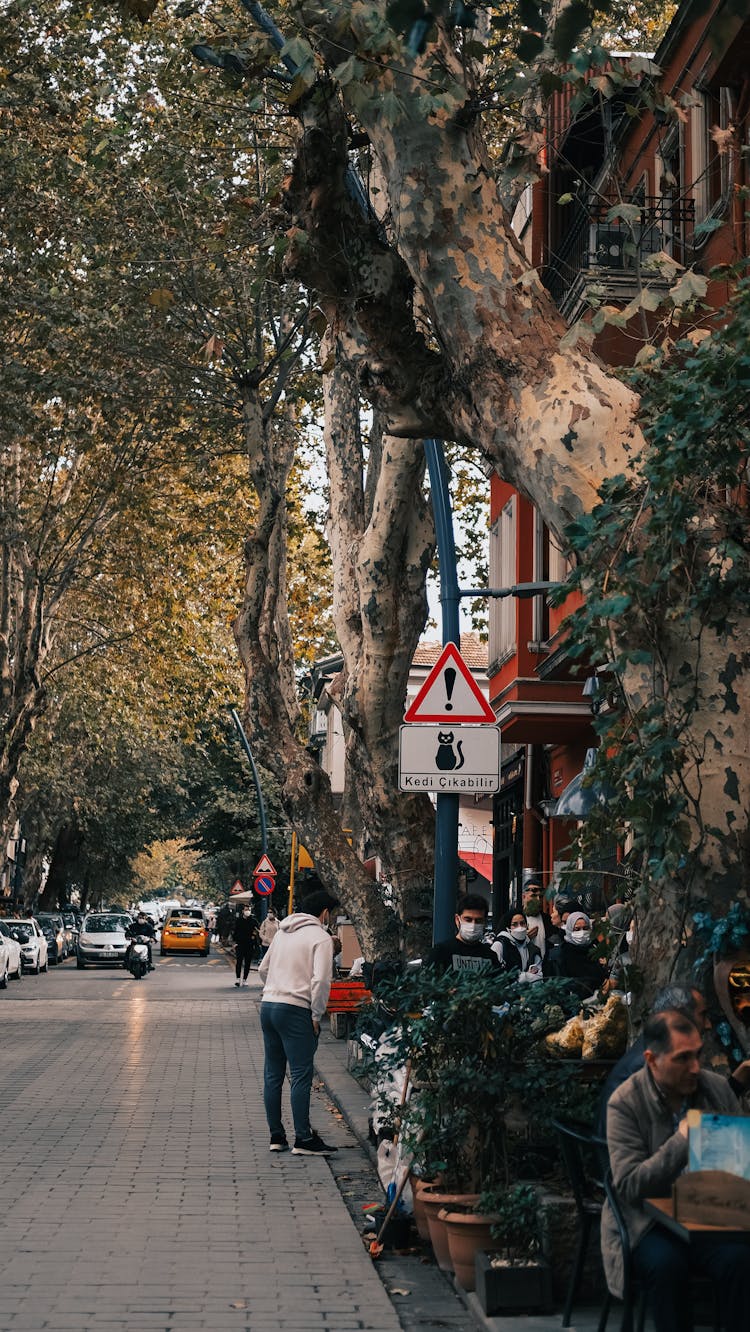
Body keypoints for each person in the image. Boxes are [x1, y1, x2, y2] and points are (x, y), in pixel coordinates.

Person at [603, 1009, 750, 1332]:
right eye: (683, 1058)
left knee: (739, 1261)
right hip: (647, 1220)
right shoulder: (624, 1103)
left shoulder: (715, 1089)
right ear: (652, 1059)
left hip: (706, 1212)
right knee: (667, 1266)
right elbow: (629, 1186)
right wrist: (683, 1140)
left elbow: (738, 1167)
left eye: (698, 1055)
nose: (696, 1067)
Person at [598, 984, 750, 1133]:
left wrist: (739, 1078)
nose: (708, 1025)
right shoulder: (657, 1063)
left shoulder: (656, 1045)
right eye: (703, 1015)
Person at [258, 889, 340, 1155]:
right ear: (325, 912)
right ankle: (303, 1138)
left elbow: (263, 969)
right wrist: (316, 1014)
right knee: (301, 1074)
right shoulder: (321, 937)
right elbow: (321, 981)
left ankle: (276, 1135)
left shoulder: (282, 932)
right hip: (296, 1010)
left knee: (273, 1072)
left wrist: (276, 989)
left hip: (269, 1005)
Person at [424, 894, 500, 974]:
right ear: (457, 919)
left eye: (478, 921)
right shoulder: (441, 952)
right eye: (468, 919)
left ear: (485, 922)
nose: (473, 925)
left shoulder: (490, 956)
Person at [544, 908, 608, 996]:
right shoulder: (562, 953)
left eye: (585, 928)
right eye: (577, 929)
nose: (582, 932)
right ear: (570, 930)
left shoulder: (594, 950)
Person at [490, 909, 543, 978]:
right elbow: (496, 975)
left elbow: (539, 977)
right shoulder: (500, 945)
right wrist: (526, 976)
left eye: (522, 923)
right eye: (514, 924)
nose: (520, 927)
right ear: (508, 927)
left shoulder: (532, 949)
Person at [232, 906, 259, 987]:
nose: (247, 911)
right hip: (240, 944)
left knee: (247, 963)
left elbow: (257, 931)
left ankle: (245, 979)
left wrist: (254, 941)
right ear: (243, 911)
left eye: (249, 910)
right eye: (246, 910)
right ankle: (238, 979)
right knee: (239, 962)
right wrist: (235, 942)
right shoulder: (238, 921)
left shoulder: (253, 921)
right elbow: (235, 931)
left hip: (250, 945)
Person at [522, 879, 548, 958]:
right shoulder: (513, 917)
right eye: (533, 896)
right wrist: (523, 937)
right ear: (524, 896)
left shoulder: (547, 920)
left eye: (540, 896)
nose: (538, 900)